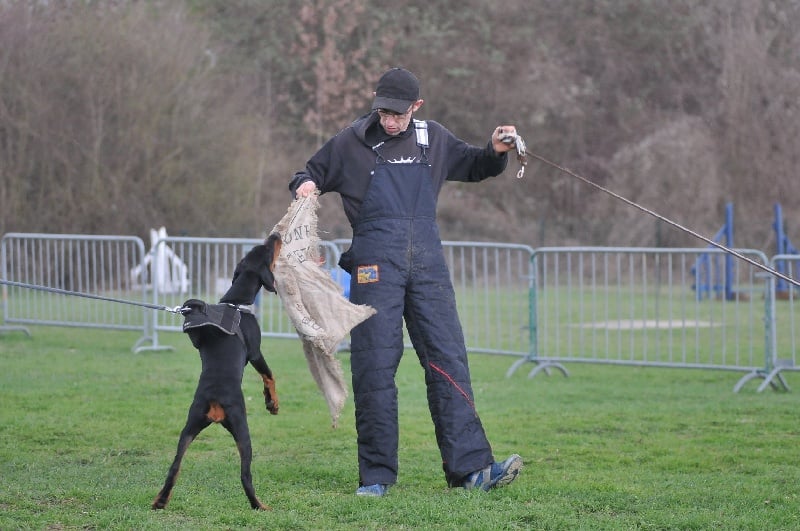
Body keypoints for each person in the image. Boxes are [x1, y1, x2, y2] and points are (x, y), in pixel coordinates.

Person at [289, 67, 522, 497]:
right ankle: (376, 476)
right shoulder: (351, 142)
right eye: (384, 112)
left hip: (428, 267)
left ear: (417, 106)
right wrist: (304, 185)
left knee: (449, 360)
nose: (390, 121)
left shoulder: (434, 138)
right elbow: (307, 173)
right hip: (374, 268)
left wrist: (495, 150)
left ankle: (472, 470)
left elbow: (475, 165)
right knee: (374, 365)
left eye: (398, 114)